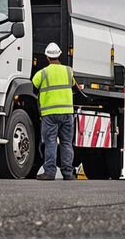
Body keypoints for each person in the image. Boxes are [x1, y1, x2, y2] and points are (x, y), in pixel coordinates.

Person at [32, 42, 77, 181]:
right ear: (60, 55)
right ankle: (68, 174)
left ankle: (50, 173)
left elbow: (33, 87)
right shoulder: (68, 71)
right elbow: (74, 87)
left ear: (47, 57)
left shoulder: (42, 73)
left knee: (51, 142)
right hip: (67, 113)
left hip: (49, 115)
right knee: (66, 143)